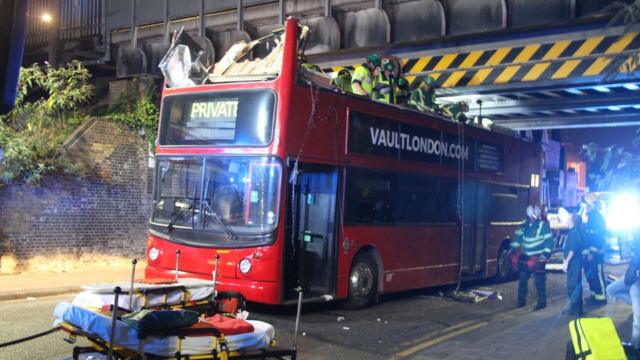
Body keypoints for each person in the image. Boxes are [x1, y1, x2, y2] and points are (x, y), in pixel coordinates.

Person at [511, 205, 554, 310]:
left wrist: (545, 255)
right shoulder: (524, 225)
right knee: (522, 281)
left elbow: (549, 242)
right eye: (530, 217)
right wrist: (513, 248)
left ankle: (541, 302)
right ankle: (521, 301)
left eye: (533, 217)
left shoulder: (543, 226)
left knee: (539, 281)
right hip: (526, 258)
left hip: (538, 258)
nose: (532, 219)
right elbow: (518, 237)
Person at [606, 238, 640, 349]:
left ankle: (635, 346)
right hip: (631, 279)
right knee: (610, 289)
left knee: (638, 319)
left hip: (635, 284)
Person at [583, 193, 607, 304]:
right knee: (590, 274)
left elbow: (598, 237)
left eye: (587, 205)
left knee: (597, 273)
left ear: (592, 205)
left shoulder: (597, 218)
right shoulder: (591, 217)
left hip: (596, 252)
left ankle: (601, 297)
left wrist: (592, 252)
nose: (585, 207)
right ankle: (594, 294)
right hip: (590, 252)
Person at [562, 214, 585, 316]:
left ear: (572, 221)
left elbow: (573, 249)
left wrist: (566, 262)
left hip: (574, 263)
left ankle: (573, 309)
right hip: (576, 262)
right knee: (575, 284)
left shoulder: (574, 233)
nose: (567, 220)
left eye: (568, 219)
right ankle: (577, 309)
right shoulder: (575, 231)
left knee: (572, 285)